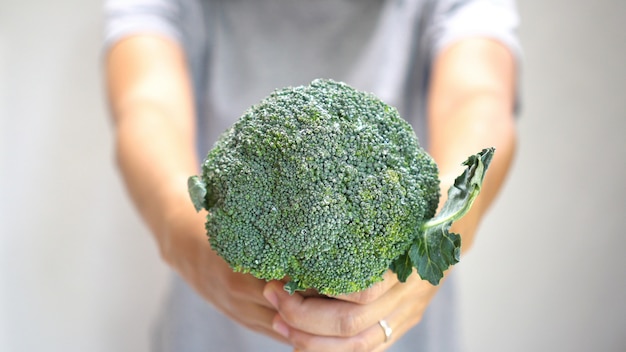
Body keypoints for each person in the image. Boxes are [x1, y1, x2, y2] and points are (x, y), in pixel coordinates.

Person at [103, 0, 520, 351]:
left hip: (401, 330)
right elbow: (146, 107)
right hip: (211, 326)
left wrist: (444, 225)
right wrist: (185, 238)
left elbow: (479, 99)